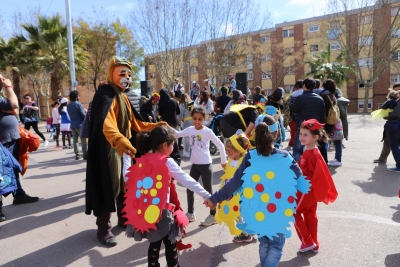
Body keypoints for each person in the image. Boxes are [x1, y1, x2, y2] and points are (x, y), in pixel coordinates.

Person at [204, 115, 310, 267]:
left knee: (264, 243)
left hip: (257, 209)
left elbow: (233, 183)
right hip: (278, 210)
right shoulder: (285, 157)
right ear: (277, 134)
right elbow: (301, 181)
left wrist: (214, 198)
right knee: (276, 246)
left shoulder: (249, 157)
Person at [85, 57, 167, 247]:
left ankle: (124, 219)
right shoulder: (104, 94)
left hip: (125, 149)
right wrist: (120, 140)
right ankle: (103, 228)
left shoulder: (123, 96)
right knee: (110, 185)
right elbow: (106, 123)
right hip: (109, 150)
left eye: (129, 74)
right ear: (111, 74)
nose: (126, 78)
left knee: (126, 184)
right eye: (122, 73)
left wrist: (154, 126)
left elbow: (135, 123)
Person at [123, 126, 211, 267]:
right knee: (171, 244)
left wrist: (126, 157)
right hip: (163, 213)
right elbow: (186, 180)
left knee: (154, 243)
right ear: (165, 145)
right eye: (172, 145)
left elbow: (127, 178)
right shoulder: (167, 162)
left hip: (147, 212)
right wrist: (207, 196)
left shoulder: (143, 160)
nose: (173, 148)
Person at [172, 106, 227, 226]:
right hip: (195, 165)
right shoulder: (190, 129)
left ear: (204, 119)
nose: (196, 121)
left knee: (208, 192)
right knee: (189, 189)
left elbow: (221, 145)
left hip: (206, 165)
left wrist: (224, 161)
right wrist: (166, 126)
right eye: (194, 118)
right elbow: (177, 134)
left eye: (200, 119)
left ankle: (213, 215)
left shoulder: (207, 131)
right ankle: (191, 214)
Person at [295, 119, 338, 253]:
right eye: (300, 134)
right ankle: (314, 243)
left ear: (315, 137)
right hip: (312, 193)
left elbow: (309, 176)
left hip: (307, 191)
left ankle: (307, 241)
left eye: (305, 135)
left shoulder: (311, 154)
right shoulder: (312, 152)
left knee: (293, 211)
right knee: (310, 215)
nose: (301, 137)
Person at [0, 75, 39, 222]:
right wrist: (9, 86)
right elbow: (15, 106)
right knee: (1, 174)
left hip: (9, 139)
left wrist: (11, 108)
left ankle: (19, 194)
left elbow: (14, 109)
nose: (3, 80)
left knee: (13, 169)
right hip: (2, 141)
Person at [214, 131, 253, 242]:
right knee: (236, 213)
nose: (227, 153)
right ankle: (248, 231)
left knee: (237, 213)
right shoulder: (231, 159)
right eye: (226, 150)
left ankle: (245, 234)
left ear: (238, 151)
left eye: (229, 151)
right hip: (229, 191)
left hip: (239, 193)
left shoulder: (243, 162)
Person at [292, 78, 326, 162]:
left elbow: (295, 111)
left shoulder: (300, 98)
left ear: (304, 86)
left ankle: (298, 170)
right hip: (314, 129)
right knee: (313, 149)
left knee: (297, 149)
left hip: (302, 128)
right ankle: (312, 168)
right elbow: (323, 116)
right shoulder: (320, 99)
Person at [320, 79, 343, 166]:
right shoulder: (333, 95)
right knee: (337, 140)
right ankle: (338, 158)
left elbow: (324, 109)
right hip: (334, 120)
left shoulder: (324, 96)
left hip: (327, 121)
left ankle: (335, 160)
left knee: (323, 141)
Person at [67, 91, 87, 160]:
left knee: (75, 140)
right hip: (80, 124)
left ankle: (77, 154)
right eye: (79, 95)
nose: (79, 97)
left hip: (72, 124)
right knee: (83, 139)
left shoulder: (68, 105)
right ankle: (85, 154)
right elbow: (83, 115)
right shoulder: (78, 104)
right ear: (76, 96)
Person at [385, 87, 400, 172]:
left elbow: (396, 113)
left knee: (394, 146)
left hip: (396, 126)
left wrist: (388, 116)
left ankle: (399, 166)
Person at [287, 80, 303, 147]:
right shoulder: (306, 93)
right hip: (305, 117)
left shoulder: (293, 94)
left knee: (295, 132)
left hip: (295, 117)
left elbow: (290, 106)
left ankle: (294, 144)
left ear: (296, 86)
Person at [178, 93, 193, 158]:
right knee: (192, 137)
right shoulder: (191, 103)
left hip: (186, 122)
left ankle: (187, 152)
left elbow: (180, 116)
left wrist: (179, 120)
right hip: (193, 121)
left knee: (186, 138)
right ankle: (192, 152)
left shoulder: (182, 105)